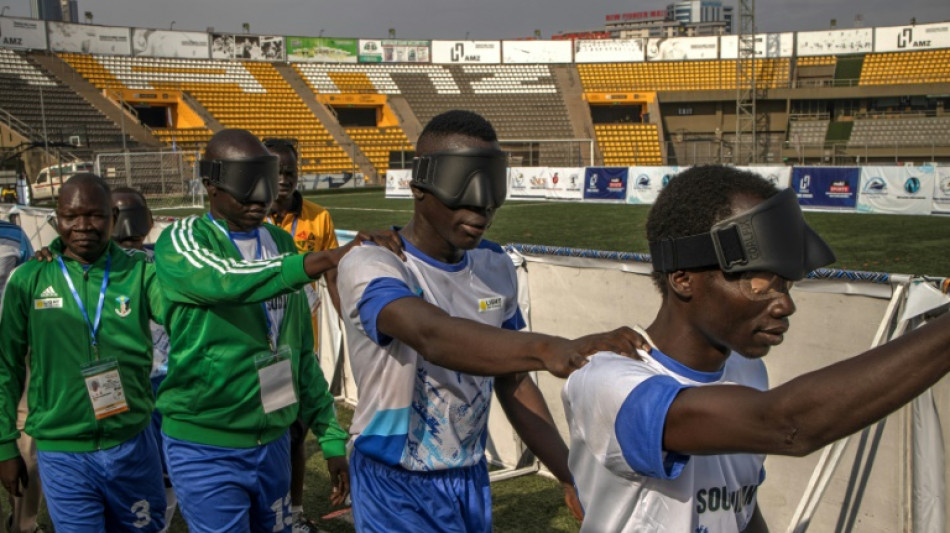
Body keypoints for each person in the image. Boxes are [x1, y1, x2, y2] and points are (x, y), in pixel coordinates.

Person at [562, 165, 950, 532]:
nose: (785, 304)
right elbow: (787, 425)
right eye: (759, 283)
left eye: (786, 284)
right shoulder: (606, 382)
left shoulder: (746, 372)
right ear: (683, 279)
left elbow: (738, 506)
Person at [336, 109, 645, 531]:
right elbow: (432, 335)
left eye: (492, 187)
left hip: (469, 475)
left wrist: (568, 473)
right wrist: (548, 347)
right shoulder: (375, 263)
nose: (482, 205)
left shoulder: (494, 264)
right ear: (420, 186)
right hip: (395, 482)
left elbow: (513, 379)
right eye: (462, 187)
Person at [152, 129, 399, 532]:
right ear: (210, 185)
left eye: (265, 185)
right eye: (244, 188)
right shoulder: (183, 240)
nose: (259, 199)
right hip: (206, 447)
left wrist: (331, 438)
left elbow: (299, 352)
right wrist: (322, 259)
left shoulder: (282, 244)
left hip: (273, 445)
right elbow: (227, 279)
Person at [0, 174, 167, 531]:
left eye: (94, 215)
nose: (82, 226)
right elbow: (6, 366)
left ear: (113, 216)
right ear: (56, 217)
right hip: (63, 453)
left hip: (131, 444)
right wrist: (4, 445)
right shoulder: (29, 278)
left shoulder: (140, 272)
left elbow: (181, 314)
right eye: (70, 216)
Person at [264, 137, 342, 533]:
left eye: (290, 172)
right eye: (276, 172)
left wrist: (349, 320)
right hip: (258, 349)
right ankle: (268, 512)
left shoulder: (318, 218)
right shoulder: (250, 218)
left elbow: (332, 274)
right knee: (266, 435)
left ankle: (291, 513)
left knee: (294, 435)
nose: (284, 179)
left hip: (297, 348)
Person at [111, 186, 179, 532]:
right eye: (119, 217)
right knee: (127, 466)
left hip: (166, 381)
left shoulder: (163, 262)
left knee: (166, 470)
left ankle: (161, 522)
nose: (128, 232)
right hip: (120, 385)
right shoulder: (90, 268)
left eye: (136, 218)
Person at [0, 219, 43, 533]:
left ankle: (25, 524)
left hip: (13, 350)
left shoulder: (14, 235)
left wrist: (42, 262)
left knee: (27, 441)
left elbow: (29, 280)